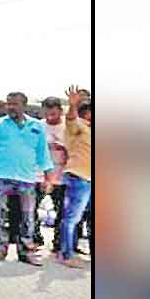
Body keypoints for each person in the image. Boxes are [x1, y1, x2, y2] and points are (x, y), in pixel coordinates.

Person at [0, 91, 55, 266]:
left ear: (24, 105)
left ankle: (26, 251)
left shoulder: (36, 126)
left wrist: (48, 178)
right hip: (1, 177)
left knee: (28, 216)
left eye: (15, 104)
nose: (11, 107)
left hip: (27, 178)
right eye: (9, 104)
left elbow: (43, 154)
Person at [58, 86, 92, 268]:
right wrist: (72, 105)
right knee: (71, 218)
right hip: (79, 178)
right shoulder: (79, 125)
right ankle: (66, 255)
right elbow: (71, 118)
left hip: (90, 180)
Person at [35, 95, 67, 253]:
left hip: (62, 174)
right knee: (31, 207)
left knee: (62, 210)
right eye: (47, 114)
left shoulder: (68, 126)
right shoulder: (38, 126)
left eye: (53, 114)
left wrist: (63, 147)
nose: (50, 117)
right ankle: (35, 238)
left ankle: (59, 242)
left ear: (60, 111)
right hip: (40, 173)